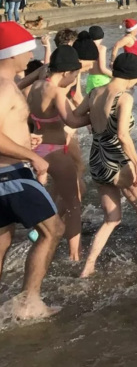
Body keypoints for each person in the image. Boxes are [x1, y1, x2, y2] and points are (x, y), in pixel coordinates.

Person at [0, 23, 65, 320]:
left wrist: (27, 139)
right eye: (27, 48)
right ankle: (29, 303)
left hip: (6, 173)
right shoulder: (2, 87)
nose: (31, 54)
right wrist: (32, 156)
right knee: (53, 230)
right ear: (12, 53)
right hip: (11, 174)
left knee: (2, 237)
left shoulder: (9, 81)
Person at [74, 53, 137, 277]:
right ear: (133, 75)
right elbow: (122, 135)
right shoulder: (124, 97)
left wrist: (96, 118)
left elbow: (72, 119)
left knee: (112, 218)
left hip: (97, 159)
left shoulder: (94, 93)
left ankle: (88, 266)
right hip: (117, 159)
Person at [26, 46, 90, 261]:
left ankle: (41, 233)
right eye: (74, 75)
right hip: (55, 151)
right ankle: (75, 255)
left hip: (38, 148)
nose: (73, 79)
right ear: (65, 72)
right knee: (73, 204)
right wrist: (98, 116)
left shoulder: (35, 86)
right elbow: (71, 120)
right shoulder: (56, 91)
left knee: (53, 195)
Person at [85, 26, 112, 94]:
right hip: (101, 80)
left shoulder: (86, 48)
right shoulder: (101, 48)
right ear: (102, 36)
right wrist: (115, 75)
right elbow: (102, 68)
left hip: (90, 79)